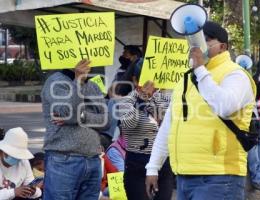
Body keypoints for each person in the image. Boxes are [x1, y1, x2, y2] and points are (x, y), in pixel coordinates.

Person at [145, 21, 256, 200]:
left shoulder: (236, 74)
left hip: (220, 176)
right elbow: (169, 126)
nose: (198, 46)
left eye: (206, 40)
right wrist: (153, 167)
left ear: (222, 46)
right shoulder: (186, 79)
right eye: (194, 41)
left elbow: (224, 107)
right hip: (184, 176)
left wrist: (200, 69)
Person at [41, 59, 110, 200]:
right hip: (64, 159)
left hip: (92, 159)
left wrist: (83, 116)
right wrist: (78, 81)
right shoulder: (55, 82)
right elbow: (69, 112)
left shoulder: (93, 85)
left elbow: (106, 121)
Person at [118, 81, 173, 200]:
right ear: (136, 80)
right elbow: (129, 124)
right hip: (138, 163)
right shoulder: (127, 100)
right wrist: (142, 100)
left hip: (163, 162)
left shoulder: (165, 99)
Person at [0, 127, 42, 200]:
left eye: (19, 156)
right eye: (14, 154)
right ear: (3, 151)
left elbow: (36, 190)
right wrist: (13, 192)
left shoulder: (23, 162)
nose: (17, 158)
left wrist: (34, 191)